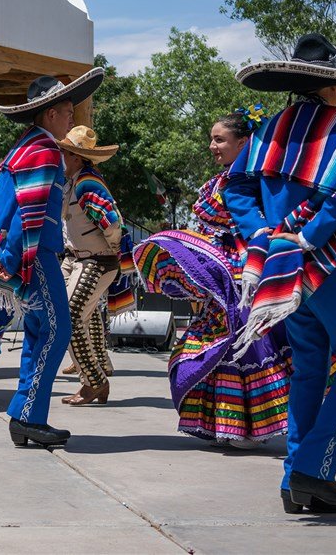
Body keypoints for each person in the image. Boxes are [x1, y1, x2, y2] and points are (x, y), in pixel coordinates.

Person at [224, 33, 336, 513]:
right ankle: (311, 469)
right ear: (334, 86)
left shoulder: (268, 129)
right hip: (324, 263)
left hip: (279, 270)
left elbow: (235, 187)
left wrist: (263, 233)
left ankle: (295, 482)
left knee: (309, 368)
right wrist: (305, 238)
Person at [135, 108, 291, 448]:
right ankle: (227, 424)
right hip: (222, 280)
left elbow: (262, 231)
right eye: (211, 138)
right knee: (221, 348)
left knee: (244, 345)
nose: (212, 146)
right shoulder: (227, 181)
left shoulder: (256, 180)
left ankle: (248, 428)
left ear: (243, 142)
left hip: (245, 276)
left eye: (219, 139)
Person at [0, 67, 104, 448]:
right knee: (55, 330)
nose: (71, 117)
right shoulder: (45, 149)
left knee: (40, 332)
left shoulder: (21, 148)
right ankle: (29, 416)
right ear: (50, 113)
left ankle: (25, 414)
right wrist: (16, 258)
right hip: (38, 254)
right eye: (67, 111)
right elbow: (27, 215)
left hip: (27, 251)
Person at [57, 126, 124, 406]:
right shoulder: (76, 182)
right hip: (80, 259)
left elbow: (111, 221)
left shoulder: (86, 183)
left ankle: (94, 382)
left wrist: (112, 248)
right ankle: (94, 379)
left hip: (95, 261)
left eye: (63, 152)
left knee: (71, 317)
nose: (59, 156)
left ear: (74, 156)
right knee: (71, 316)